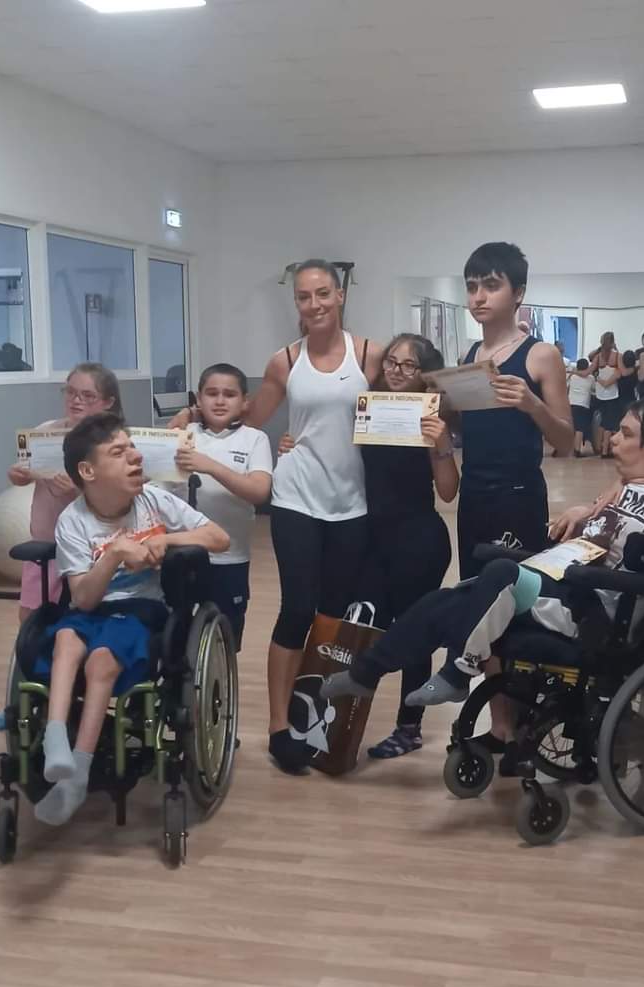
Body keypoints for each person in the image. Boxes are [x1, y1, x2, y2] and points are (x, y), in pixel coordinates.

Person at [320, 395, 644, 773]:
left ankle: (458, 669)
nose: (612, 439)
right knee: (448, 599)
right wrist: (584, 512)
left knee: (499, 574)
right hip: (562, 587)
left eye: (626, 433)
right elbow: (607, 521)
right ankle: (365, 673)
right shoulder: (625, 491)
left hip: (593, 615)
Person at [168, 259, 383, 774]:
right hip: (295, 498)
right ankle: (279, 727)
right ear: (296, 303)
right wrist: (190, 415)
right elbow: (249, 415)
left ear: (340, 295)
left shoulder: (368, 355)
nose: (314, 304)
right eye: (304, 296)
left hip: (352, 503)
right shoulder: (286, 360)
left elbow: (405, 401)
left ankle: (317, 713)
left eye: (323, 293)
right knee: (297, 610)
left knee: (333, 616)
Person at [33, 412, 229, 826]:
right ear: (88, 472)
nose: (136, 457)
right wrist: (114, 555)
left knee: (101, 659)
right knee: (66, 639)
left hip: (143, 610)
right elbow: (84, 599)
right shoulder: (73, 520)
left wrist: (165, 539)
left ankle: (78, 775)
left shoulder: (153, 501)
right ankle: (55, 740)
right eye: (119, 452)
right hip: (93, 606)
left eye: (133, 449)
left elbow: (219, 537)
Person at [359, 334, 459, 759]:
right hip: (370, 538)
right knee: (362, 628)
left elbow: (448, 491)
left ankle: (409, 727)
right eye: (391, 362)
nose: (396, 371)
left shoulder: (432, 418)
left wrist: (441, 445)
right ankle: (341, 724)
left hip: (418, 541)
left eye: (408, 365)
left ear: (425, 375)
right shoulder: (367, 410)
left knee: (413, 632)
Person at [456, 242, 572, 579]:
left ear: (518, 293)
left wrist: (532, 404)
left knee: (518, 592)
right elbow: (473, 430)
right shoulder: (469, 355)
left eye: (491, 286)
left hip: (517, 496)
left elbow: (566, 442)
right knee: (472, 588)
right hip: (472, 493)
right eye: (472, 287)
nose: (479, 297)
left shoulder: (541, 355)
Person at [7, 362, 123, 623]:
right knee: (31, 615)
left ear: (107, 402)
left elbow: (119, 494)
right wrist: (17, 475)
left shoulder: (114, 441)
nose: (76, 400)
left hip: (92, 545)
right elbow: (22, 473)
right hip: (46, 541)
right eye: (70, 392)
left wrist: (78, 490)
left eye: (88, 395)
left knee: (81, 614)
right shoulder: (46, 431)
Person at [173, 363, 273, 650]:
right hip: (181, 554)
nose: (219, 401)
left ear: (244, 402)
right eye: (211, 393)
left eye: (229, 394)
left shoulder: (255, 439)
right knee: (176, 633)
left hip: (230, 557)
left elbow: (259, 492)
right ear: (198, 399)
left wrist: (211, 466)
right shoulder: (183, 433)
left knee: (224, 639)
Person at [592, 336, 622, 458]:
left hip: (600, 395)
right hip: (612, 395)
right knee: (609, 425)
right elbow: (609, 381)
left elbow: (590, 358)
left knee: (602, 423)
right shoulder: (617, 357)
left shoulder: (598, 356)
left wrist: (596, 377)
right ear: (613, 342)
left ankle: (598, 447)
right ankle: (604, 451)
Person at [567, 357, 595, 457]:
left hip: (571, 403)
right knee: (580, 428)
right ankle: (577, 450)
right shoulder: (591, 378)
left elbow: (567, 387)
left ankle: (566, 448)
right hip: (583, 404)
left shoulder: (572, 376)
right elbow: (594, 389)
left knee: (571, 427)